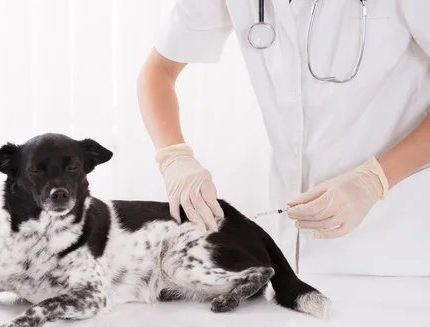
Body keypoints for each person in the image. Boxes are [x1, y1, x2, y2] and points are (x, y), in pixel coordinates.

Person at [137, 0, 430, 276]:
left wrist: (374, 179)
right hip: (294, 254)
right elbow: (159, 70)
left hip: (401, 248)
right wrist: (174, 157)